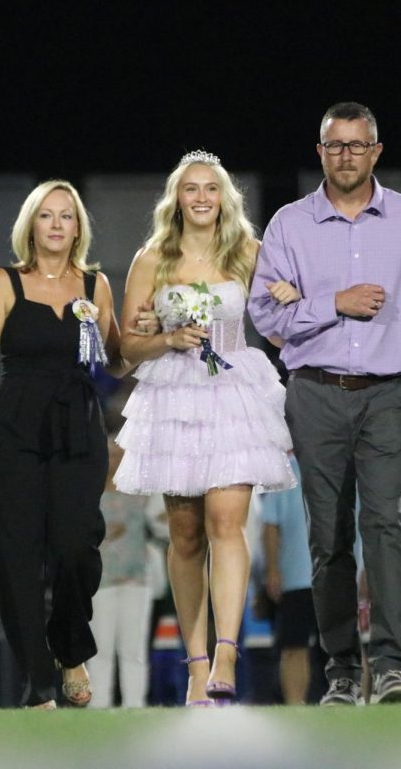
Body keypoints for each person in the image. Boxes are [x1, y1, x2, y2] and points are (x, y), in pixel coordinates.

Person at [248, 101, 401, 705]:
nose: (345, 155)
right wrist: (333, 302)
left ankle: (393, 666)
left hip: (388, 394)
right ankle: (343, 670)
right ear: (319, 153)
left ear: (376, 151)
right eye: (334, 145)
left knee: (385, 525)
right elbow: (264, 313)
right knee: (327, 537)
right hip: (314, 392)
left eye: (356, 144)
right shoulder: (289, 225)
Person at [115, 149, 295, 706]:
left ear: (224, 198)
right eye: (190, 188)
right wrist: (164, 338)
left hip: (234, 393)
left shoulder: (247, 250)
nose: (200, 198)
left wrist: (291, 297)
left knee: (226, 521)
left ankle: (225, 654)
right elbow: (125, 347)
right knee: (186, 533)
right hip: (176, 398)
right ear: (177, 197)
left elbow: (282, 317)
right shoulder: (152, 258)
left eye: (210, 189)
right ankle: (195, 667)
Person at [0, 180, 130, 709]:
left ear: (78, 228)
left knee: (75, 548)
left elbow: (115, 359)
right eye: (46, 215)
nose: (55, 224)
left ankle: (70, 647)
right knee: (16, 557)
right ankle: (37, 683)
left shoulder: (96, 286)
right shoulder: (3, 282)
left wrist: (148, 337)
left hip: (77, 426)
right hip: (14, 428)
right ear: (31, 225)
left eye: (65, 216)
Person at [86, 431, 154, 708]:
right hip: (101, 580)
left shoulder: (142, 491)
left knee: (134, 648)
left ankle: (134, 705)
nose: (114, 460)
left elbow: (159, 521)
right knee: (100, 648)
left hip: (136, 578)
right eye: (110, 455)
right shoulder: (88, 494)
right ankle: (98, 704)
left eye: (119, 454)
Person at [260, 455, 318, 704]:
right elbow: (270, 524)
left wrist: (363, 569)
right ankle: (295, 706)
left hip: (340, 575)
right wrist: (273, 569)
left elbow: (360, 521)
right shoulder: (285, 472)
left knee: (350, 647)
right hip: (297, 576)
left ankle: (355, 701)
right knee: (294, 646)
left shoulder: (346, 465)